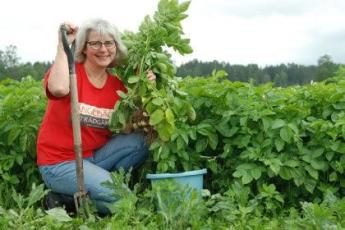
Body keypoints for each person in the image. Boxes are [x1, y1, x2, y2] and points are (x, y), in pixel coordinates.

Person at [36, 18, 155, 215]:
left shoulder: (116, 86)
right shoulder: (72, 73)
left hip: (93, 159)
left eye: (109, 43)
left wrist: (148, 86)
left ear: (116, 47)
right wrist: (62, 45)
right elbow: (57, 88)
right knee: (124, 199)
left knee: (141, 140)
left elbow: (137, 121)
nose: (103, 49)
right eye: (95, 43)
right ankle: (73, 200)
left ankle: (86, 190)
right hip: (59, 163)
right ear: (83, 48)